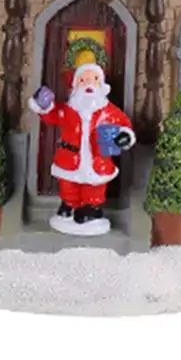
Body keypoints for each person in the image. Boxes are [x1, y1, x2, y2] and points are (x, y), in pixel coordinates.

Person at [29, 62, 135, 235]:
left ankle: (91, 207)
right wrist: (44, 106)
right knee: (68, 185)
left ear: (102, 85)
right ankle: (69, 205)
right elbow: (52, 116)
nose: (88, 84)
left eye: (94, 79)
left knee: (94, 187)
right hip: (69, 158)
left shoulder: (110, 112)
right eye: (83, 80)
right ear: (75, 86)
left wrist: (124, 136)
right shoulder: (68, 110)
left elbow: (124, 125)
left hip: (97, 160)